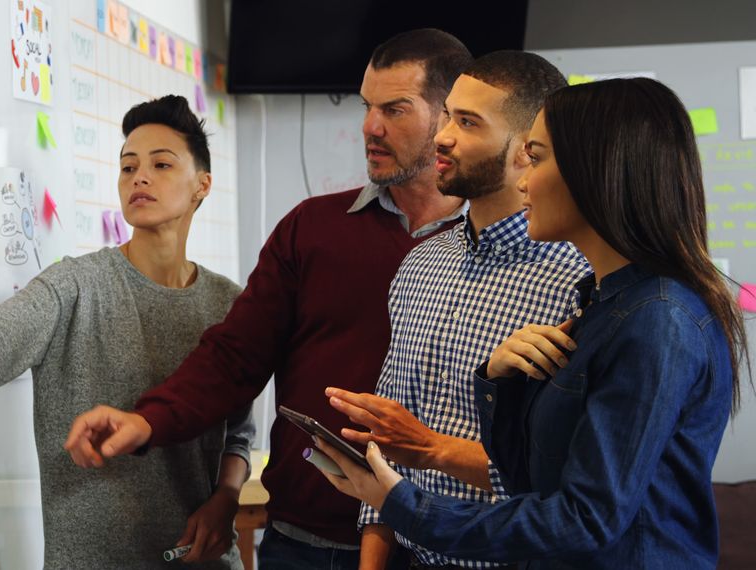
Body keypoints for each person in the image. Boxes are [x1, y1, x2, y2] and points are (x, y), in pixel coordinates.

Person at [65, 29, 472, 569]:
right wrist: (147, 422)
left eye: (395, 110)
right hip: (307, 544)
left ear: (451, 118)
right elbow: (235, 355)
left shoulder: (503, 243)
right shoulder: (312, 228)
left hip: (451, 544)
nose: (370, 128)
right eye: (367, 107)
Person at [314, 77, 749, 569]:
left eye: (537, 159)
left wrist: (408, 505)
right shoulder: (604, 301)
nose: (523, 181)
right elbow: (535, 480)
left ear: (596, 171)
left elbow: (585, 518)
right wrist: (499, 379)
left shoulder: (659, 319)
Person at [0, 95, 255, 570]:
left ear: (202, 185)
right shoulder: (77, 283)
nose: (139, 177)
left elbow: (238, 428)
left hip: (200, 561)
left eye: (161, 164)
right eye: (127, 167)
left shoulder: (229, 303)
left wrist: (227, 496)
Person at [325, 51, 590, 570]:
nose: (442, 137)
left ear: (526, 150)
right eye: (447, 116)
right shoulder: (421, 265)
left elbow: (576, 476)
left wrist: (429, 447)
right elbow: (387, 449)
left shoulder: (580, 279)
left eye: (467, 123)